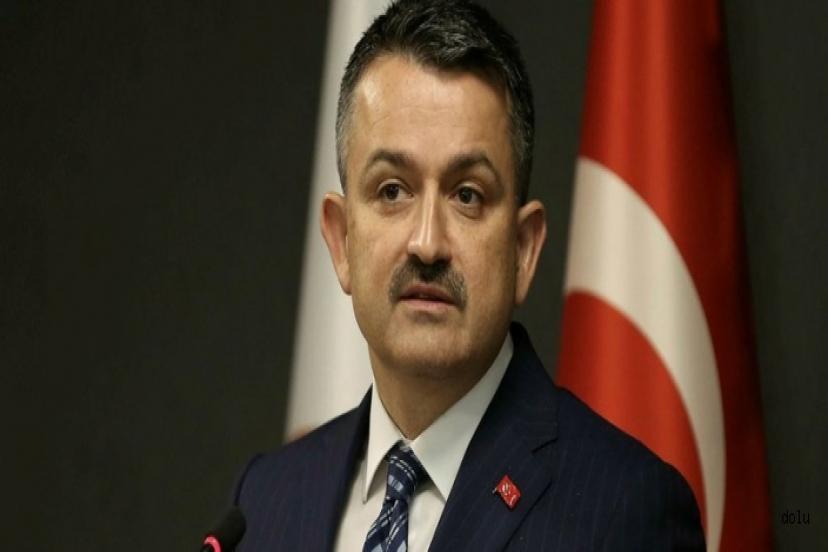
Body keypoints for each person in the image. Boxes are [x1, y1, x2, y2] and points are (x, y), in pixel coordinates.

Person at [233, 1, 705, 550]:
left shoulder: (629, 511)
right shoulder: (263, 502)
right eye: (392, 190)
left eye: (467, 195)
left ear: (524, 249)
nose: (427, 243)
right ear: (340, 241)